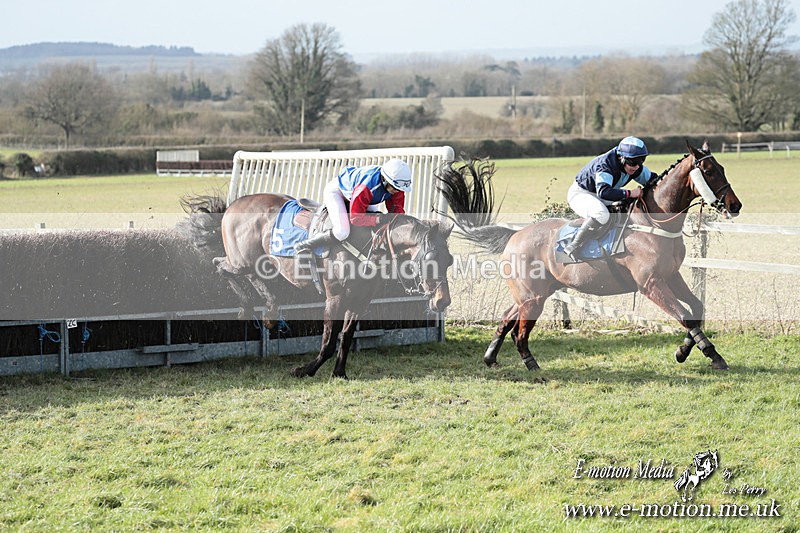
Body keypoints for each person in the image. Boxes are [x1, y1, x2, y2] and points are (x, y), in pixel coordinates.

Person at [563, 136, 655, 260]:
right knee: (602, 214)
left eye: (641, 161)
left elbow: (654, 180)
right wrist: (630, 193)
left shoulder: (634, 167)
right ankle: (574, 245)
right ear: (621, 157)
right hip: (582, 194)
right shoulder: (605, 165)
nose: (637, 167)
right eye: (633, 162)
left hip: (602, 194)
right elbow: (604, 192)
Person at [294, 158, 412, 252]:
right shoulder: (366, 187)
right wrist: (379, 218)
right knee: (342, 232)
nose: (397, 191)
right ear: (385, 180)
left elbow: (397, 213)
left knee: (377, 224)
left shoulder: (396, 186)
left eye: (399, 189)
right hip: (338, 192)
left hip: (363, 197)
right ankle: (306, 245)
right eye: (394, 188)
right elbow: (356, 218)